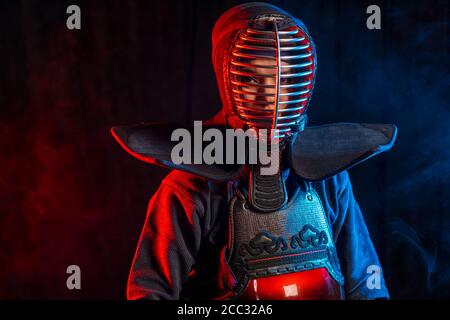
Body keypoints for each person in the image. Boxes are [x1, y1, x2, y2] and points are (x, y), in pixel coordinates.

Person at [111, 2, 397, 300]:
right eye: (251, 80)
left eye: (284, 80)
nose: (270, 95)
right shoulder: (191, 187)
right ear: (227, 79)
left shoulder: (329, 178)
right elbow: (149, 292)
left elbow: (366, 282)